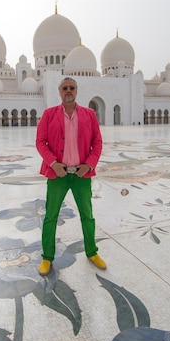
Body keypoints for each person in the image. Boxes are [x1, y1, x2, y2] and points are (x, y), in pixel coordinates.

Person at [35, 77, 106, 276]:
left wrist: (89, 165)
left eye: (72, 88)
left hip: (81, 174)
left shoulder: (89, 114)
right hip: (58, 174)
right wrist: (53, 163)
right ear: (59, 91)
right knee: (51, 216)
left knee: (88, 215)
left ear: (76, 91)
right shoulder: (49, 115)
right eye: (65, 88)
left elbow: (97, 142)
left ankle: (92, 252)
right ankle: (47, 258)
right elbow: (40, 142)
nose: (68, 91)